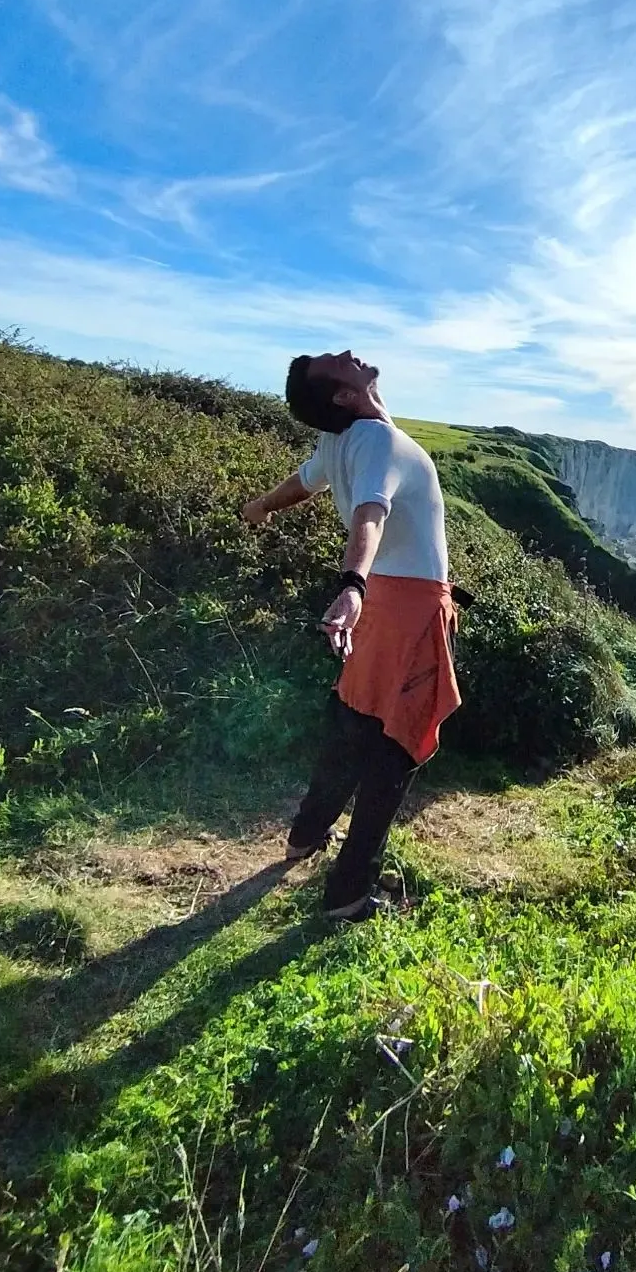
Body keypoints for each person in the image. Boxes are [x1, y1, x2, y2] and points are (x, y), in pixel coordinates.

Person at [242, 348, 460, 920]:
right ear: (342, 394)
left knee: (354, 721)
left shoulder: (341, 442)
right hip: (404, 605)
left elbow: (304, 482)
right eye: (332, 364)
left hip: (384, 598)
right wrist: (352, 586)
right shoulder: (378, 442)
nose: (343, 353)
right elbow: (371, 512)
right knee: (398, 746)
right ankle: (348, 893)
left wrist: (262, 506)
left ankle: (305, 836)